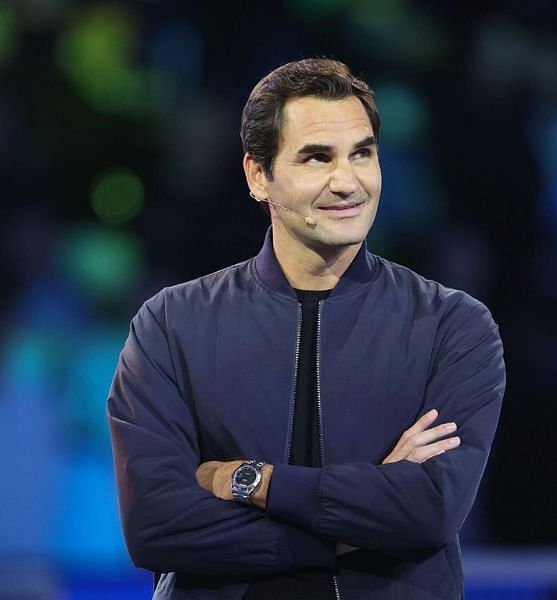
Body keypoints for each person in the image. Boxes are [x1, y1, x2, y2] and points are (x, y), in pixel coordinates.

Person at [107, 58, 505, 599]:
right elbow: (156, 526)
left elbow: (430, 509)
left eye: (362, 153)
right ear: (257, 175)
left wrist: (248, 480)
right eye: (317, 158)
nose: (348, 182)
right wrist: (355, 526)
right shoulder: (171, 323)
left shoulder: (452, 325)